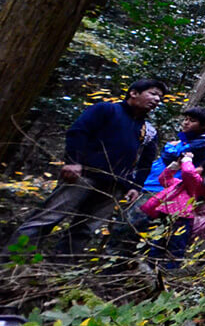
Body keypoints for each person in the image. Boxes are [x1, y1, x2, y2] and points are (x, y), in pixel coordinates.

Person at [6, 79, 165, 258]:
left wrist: (135, 186)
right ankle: (11, 262)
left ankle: (60, 270)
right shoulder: (106, 109)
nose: (157, 100)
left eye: (160, 97)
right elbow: (78, 132)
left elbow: (146, 161)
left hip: (114, 186)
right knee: (48, 217)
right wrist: (73, 161)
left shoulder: (148, 130)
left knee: (85, 229)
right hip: (84, 175)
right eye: (152, 94)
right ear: (134, 93)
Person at [135, 155, 205, 267]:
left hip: (181, 220)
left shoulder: (201, 188)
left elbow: (188, 172)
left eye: (200, 167)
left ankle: (167, 273)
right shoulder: (183, 184)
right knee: (156, 244)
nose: (195, 167)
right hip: (165, 216)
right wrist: (176, 165)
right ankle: (150, 268)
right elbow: (164, 179)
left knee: (174, 250)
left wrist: (187, 159)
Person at [140, 108, 205, 195]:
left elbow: (172, 158)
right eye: (186, 119)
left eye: (192, 121)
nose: (186, 122)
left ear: (204, 125)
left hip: (161, 188)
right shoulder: (187, 139)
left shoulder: (204, 144)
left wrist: (168, 146)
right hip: (151, 181)